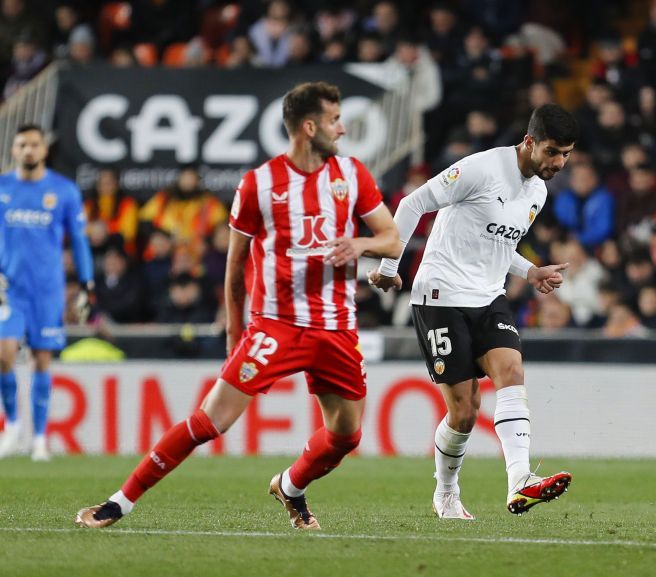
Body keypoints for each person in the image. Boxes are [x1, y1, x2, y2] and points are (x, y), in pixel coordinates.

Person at [74, 81, 401, 530]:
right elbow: (234, 269)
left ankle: (290, 486)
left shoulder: (352, 175)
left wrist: (360, 244)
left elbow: (391, 237)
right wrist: (235, 334)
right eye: (334, 120)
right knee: (211, 420)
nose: (342, 129)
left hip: (336, 327)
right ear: (309, 127)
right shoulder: (259, 184)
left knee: (347, 435)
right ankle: (119, 502)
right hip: (275, 326)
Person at [368, 104, 576, 520]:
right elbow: (411, 204)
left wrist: (531, 270)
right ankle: (446, 493)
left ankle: (520, 481)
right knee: (463, 413)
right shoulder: (481, 169)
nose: (559, 163)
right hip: (440, 296)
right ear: (530, 141)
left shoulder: (538, 190)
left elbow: (497, 242)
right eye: (553, 152)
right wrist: (391, 269)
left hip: (489, 295)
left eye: (566, 154)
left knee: (511, 372)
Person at [0, 124, 93, 461]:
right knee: (4, 354)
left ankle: (39, 439)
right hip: (9, 291)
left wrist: (86, 284)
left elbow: (79, 240)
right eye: (22, 144)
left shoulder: (63, 190)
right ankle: (12, 425)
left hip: (47, 292)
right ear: (14, 150)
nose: (28, 150)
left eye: (34, 144)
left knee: (41, 358)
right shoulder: (2, 188)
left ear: (43, 150)